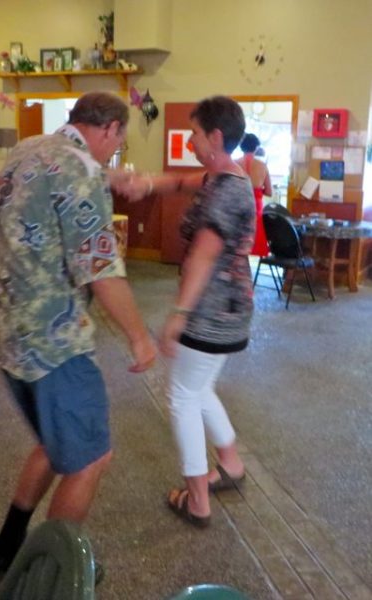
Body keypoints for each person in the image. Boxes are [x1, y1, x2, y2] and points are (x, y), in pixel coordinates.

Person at [0, 92, 157, 575]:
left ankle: (8, 544)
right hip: (53, 340)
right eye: (117, 145)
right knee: (89, 458)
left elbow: (55, 188)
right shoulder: (80, 169)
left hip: (6, 332)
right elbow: (100, 271)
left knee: (56, 443)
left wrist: (110, 175)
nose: (114, 154)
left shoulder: (27, 149)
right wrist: (140, 337)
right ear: (110, 130)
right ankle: (48, 572)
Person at [115, 96, 255, 527]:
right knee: (199, 389)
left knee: (181, 398)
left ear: (214, 137)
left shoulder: (226, 192)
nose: (190, 139)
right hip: (228, 310)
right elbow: (181, 182)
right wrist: (147, 184)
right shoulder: (226, 177)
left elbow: (202, 258)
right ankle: (229, 462)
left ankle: (197, 501)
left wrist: (178, 314)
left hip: (210, 314)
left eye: (194, 133)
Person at [236, 133, 272, 257]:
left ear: (241, 146)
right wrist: (257, 191)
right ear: (256, 147)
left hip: (239, 203)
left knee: (237, 240)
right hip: (256, 205)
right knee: (254, 236)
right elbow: (269, 192)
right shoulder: (262, 166)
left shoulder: (234, 164)